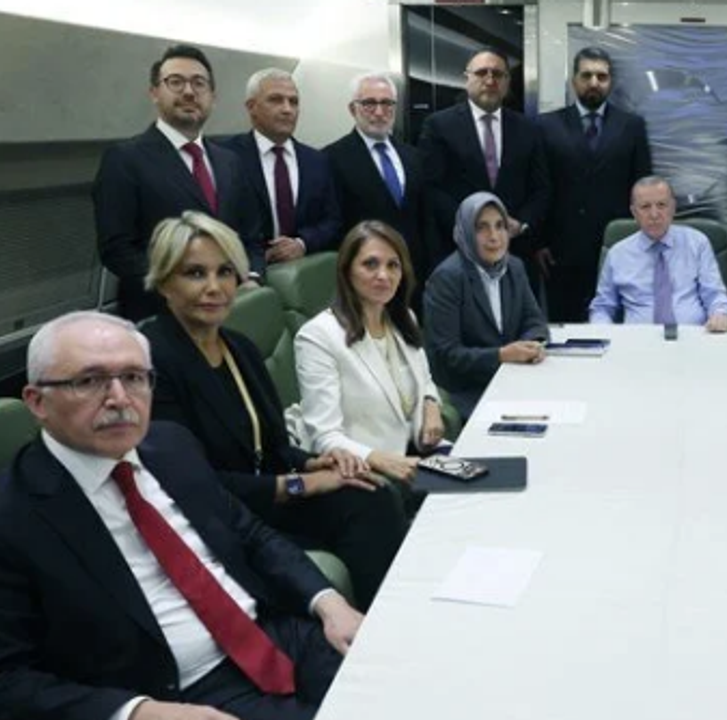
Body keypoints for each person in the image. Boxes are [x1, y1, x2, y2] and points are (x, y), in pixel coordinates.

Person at [0, 311, 364, 720]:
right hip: (177, 694)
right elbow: (9, 678)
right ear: (37, 401)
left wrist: (329, 603)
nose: (120, 398)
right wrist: (137, 712)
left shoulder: (172, 445)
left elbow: (251, 534)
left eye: (134, 377)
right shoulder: (13, 515)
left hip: (275, 636)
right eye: (89, 381)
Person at [142, 211, 407, 612]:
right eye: (195, 273)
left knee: (370, 493)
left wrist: (316, 462)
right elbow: (195, 485)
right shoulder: (151, 360)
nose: (214, 287)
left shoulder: (240, 348)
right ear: (164, 282)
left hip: (270, 497)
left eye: (225, 272)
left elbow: (275, 448)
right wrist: (303, 483)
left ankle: (390, 615)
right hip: (220, 517)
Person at [94, 43, 262, 320]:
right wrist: (182, 285)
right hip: (161, 315)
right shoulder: (125, 159)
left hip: (231, 309)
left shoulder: (230, 161)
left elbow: (252, 235)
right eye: (176, 82)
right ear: (154, 93)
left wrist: (252, 276)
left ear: (212, 97)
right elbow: (117, 249)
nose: (189, 92)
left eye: (199, 83)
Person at [295, 221, 446, 484]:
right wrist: (383, 460)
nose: (383, 275)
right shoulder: (318, 336)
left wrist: (431, 404)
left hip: (416, 451)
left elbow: (425, 380)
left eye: (393, 265)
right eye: (370, 264)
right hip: (367, 469)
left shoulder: (403, 318)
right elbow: (325, 436)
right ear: (347, 271)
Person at [420, 48, 551, 297]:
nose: (490, 80)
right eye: (482, 73)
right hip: (459, 252)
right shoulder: (439, 126)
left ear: (507, 82)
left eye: (498, 74)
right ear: (467, 78)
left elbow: (541, 188)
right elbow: (432, 188)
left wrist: (521, 224)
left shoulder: (528, 129)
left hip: (516, 253)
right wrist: (472, 225)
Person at [537, 46, 653, 322]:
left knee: (618, 328)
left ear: (610, 82)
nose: (594, 83)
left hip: (617, 246)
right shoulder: (546, 126)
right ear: (574, 80)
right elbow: (539, 186)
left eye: (601, 76)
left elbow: (643, 187)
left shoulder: (631, 126)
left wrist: (644, 240)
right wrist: (538, 242)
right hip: (561, 251)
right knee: (566, 328)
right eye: (586, 75)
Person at [423, 193, 550, 420]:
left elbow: (534, 321)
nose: (494, 237)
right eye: (482, 228)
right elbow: (446, 356)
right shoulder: (447, 278)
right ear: (465, 232)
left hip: (514, 379)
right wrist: (501, 356)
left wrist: (531, 345)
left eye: (500, 226)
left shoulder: (514, 267)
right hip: (467, 393)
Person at [324, 72, 435, 296]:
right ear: (352, 109)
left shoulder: (413, 157)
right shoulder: (331, 159)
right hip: (366, 281)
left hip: (414, 278)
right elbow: (334, 225)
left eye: (387, 103)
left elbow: (425, 219)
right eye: (369, 104)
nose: (379, 112)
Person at [223, 68, 343, 261]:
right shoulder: (227, 157)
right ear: (251, 107)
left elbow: (332, 221)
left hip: (302, 270)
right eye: (276, 100)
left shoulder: (317, 160)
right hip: (244, 270)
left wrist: (302, 243)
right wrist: (257, 257)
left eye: (293, 102)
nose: (287, 109)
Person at [589, 176, 727, 331]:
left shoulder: (697, 243)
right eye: (645, 207)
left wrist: (721, 314)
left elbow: (715, 294)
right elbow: (602, 307)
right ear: (634, 212)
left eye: (661, 205)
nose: (654, 214)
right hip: (637, 339)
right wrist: (603, 330)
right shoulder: (617, 254)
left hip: (694, 336)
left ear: (673, 208)